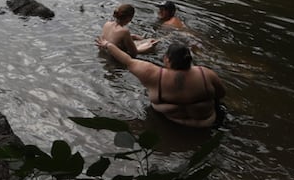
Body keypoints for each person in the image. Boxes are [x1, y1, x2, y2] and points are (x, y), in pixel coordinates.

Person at [95, 39, 226, 128]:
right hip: (207, 124)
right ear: (189, 60)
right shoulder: (206, 74)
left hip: (171, 123)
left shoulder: (154, 74)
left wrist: (108, 45)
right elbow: (221, 94)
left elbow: (128, 60)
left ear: (167, 59)